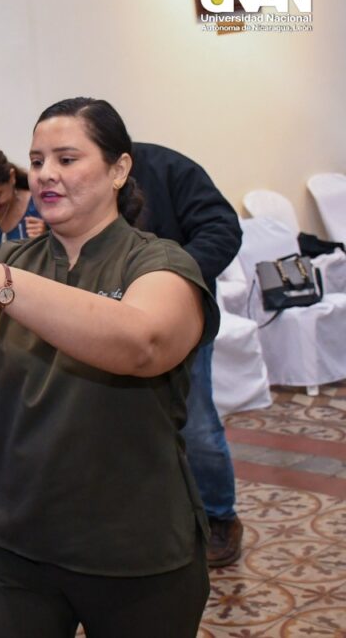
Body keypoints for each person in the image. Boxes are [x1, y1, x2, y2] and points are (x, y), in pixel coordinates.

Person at [0, 98, 220, 637]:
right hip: (12, 547)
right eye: (36, 160)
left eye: (67, 159)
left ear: (119, 169)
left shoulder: (160, 263)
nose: (46, 173)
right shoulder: (9, 263)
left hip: (133, 553)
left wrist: (1, 283)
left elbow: (143, 343)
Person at [132, 142, 244, 567]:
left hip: (183, 318)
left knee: (196, 424)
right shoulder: (83, 181)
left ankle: (219, 517)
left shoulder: (169, 168)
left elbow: (222, 228)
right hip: (118, 322)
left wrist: (170, 279)